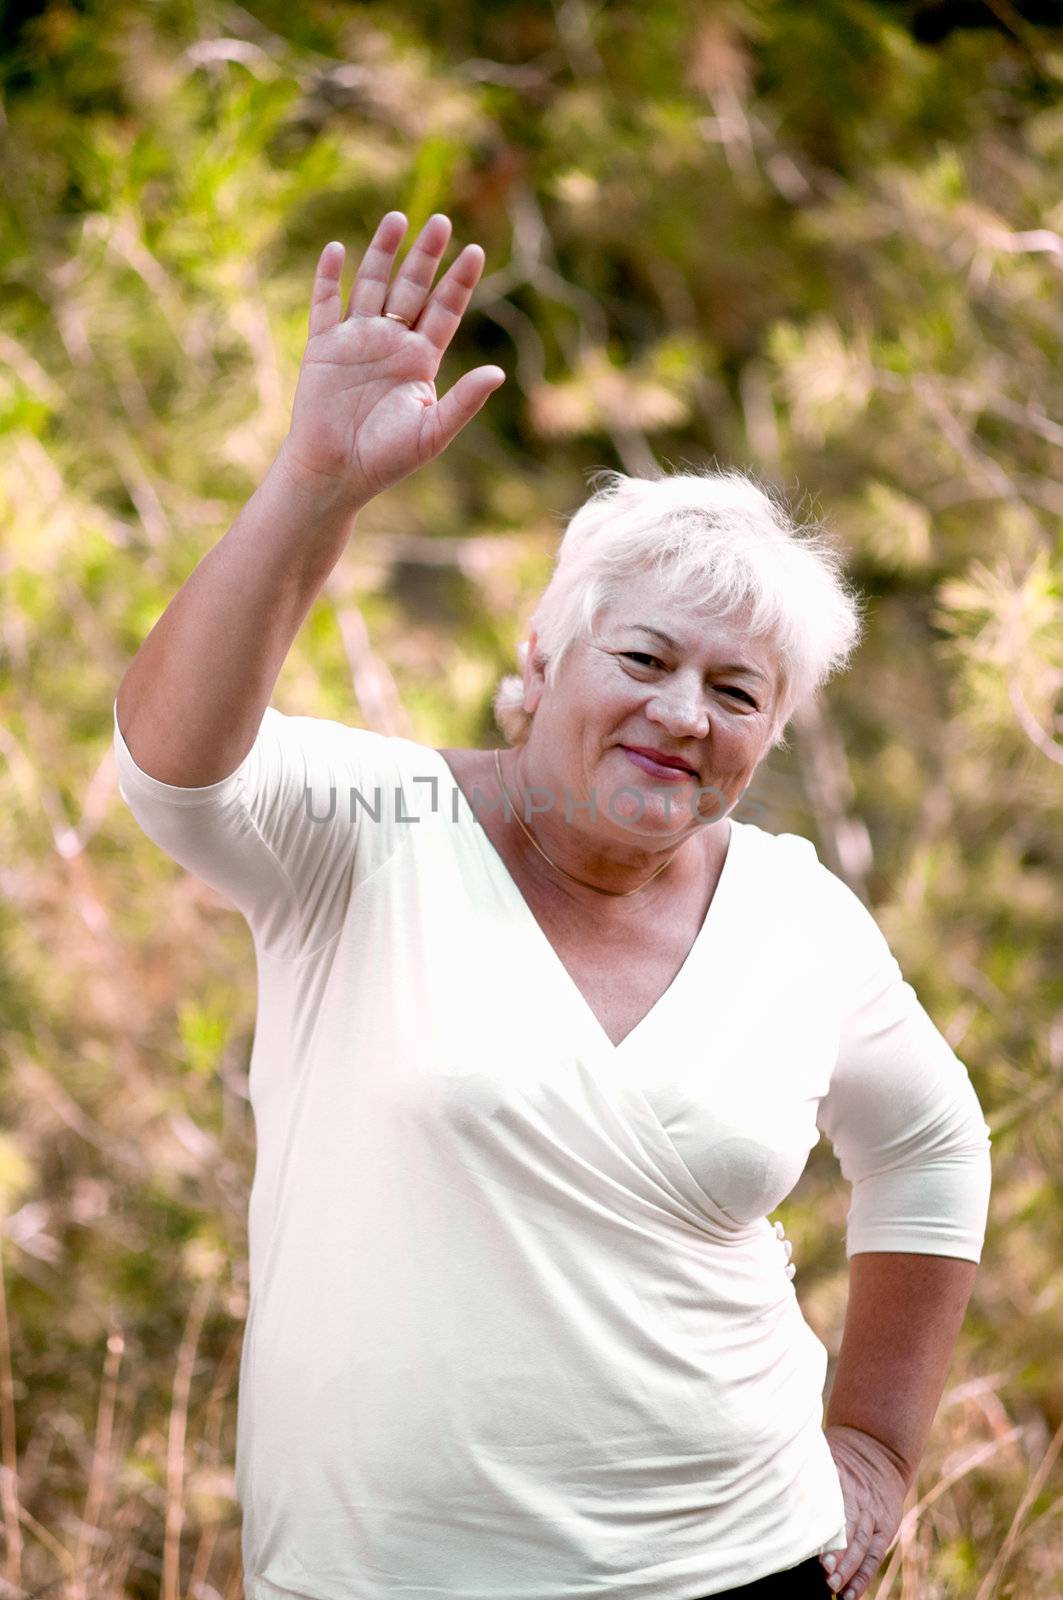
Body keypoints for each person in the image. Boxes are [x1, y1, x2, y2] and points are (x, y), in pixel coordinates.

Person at [112, 210, 992, 1600]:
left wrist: (877, 1448)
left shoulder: (792, 909)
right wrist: (314, 488)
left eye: (738, 691)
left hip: (745, 1565)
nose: (681, 714)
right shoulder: (370, 827)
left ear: (769, 737)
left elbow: (933, 1148)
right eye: (643, 655)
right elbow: (172, 765)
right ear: (543, 656)